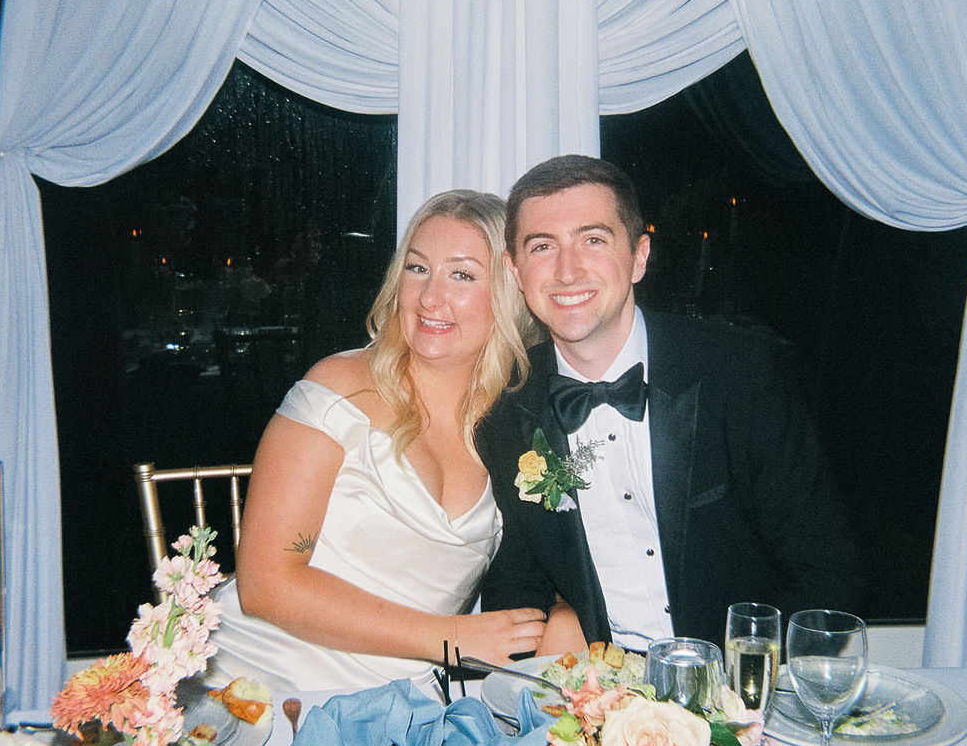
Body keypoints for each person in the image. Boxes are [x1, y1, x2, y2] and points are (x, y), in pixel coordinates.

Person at [479, 155, 864, 653]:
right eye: (542, 247)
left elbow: (828, 573)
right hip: (601, 693)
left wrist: (740, 698)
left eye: (593, 240)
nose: (567, 270)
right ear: (515, 269)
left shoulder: (740, 373)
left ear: (639, 256)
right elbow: (519, 585)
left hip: (735, 690)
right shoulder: (507, 409)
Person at [209, 190, 546, 696]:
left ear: (509, 293)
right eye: (417, 268)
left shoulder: (518, 426)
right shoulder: (338, 388)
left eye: (462, 275)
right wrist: (450, 639)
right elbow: (265, 583)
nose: (430, 298)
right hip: (264, 690)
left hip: (402, 713)